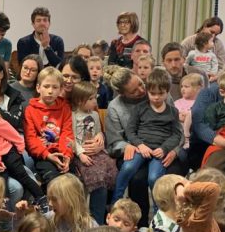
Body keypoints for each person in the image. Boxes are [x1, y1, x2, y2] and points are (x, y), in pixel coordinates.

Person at [114, 69, 182, 199]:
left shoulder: (173, 111)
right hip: (141, 149)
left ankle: (158, 209)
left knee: (154, 178)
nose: (156, 97)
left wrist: (164, 149)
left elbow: (176, 135)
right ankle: (115, 201)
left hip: (159, 151)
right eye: (152, 93)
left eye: (161, 93)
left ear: (168, 92)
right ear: (147, 91)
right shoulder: (140, 108)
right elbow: (130, 131)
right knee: (127, 168)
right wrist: (140, 145)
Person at [105, 67, 151, 222]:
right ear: (122, 94)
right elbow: (114, 141)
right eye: (133, 91)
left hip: (159, 145)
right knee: (137, 178)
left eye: (140, 83)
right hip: (131, 151)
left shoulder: (155, 92)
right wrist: (127, 146)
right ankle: (140, 223)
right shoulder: (115, 107)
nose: (141, 90)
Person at [69, 80, 116, 223]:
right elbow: (72, 138)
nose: (95, 101)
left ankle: (100, 216)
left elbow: (98, 131)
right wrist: (80, 154)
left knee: (111, 168)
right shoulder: (73, 115)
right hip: (82, 154)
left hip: (96, 152)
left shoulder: (95, 115)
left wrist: (100, 136)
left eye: (95, 97)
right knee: (94, 174)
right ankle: (88, 217)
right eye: (91, 99)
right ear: (79, 100)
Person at [24, 67, 73, 187]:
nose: (50, 91)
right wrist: (47, 155)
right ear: (38, 88)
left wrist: (67, 155)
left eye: (55, 87)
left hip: (62, 153)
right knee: (55, 183)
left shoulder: (65, 108)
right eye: (46, 86)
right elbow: (31, 139)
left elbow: (67, 134)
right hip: (43, 156)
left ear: (61, 89)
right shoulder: (30, 110)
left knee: (72, 183)